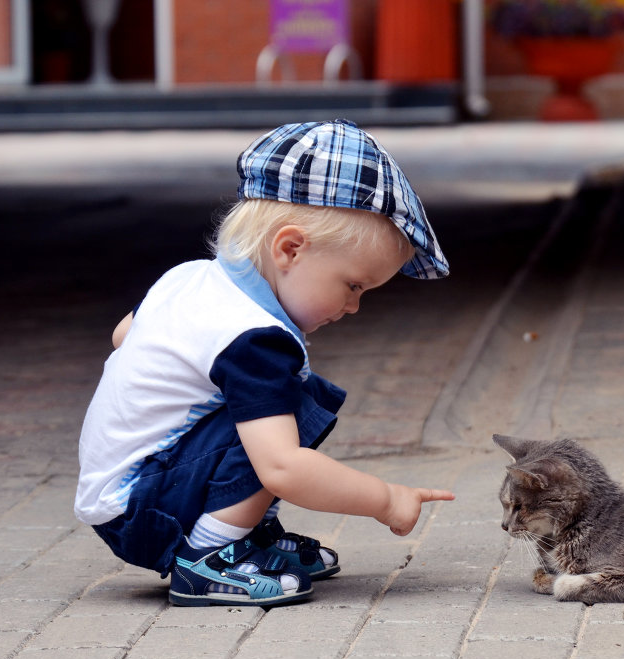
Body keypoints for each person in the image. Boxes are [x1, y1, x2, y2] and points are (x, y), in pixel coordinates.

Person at [74, 119, 455, 607]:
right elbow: (282, 468)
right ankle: (210, 556)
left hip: (120, 494)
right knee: (290, 408)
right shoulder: (254, 339)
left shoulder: (190, 277)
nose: (354, 306)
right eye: (353, 285)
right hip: (146, 511)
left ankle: (246, 533)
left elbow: (123, 335)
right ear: (290, 249)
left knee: (267, 403)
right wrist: (385, 499)